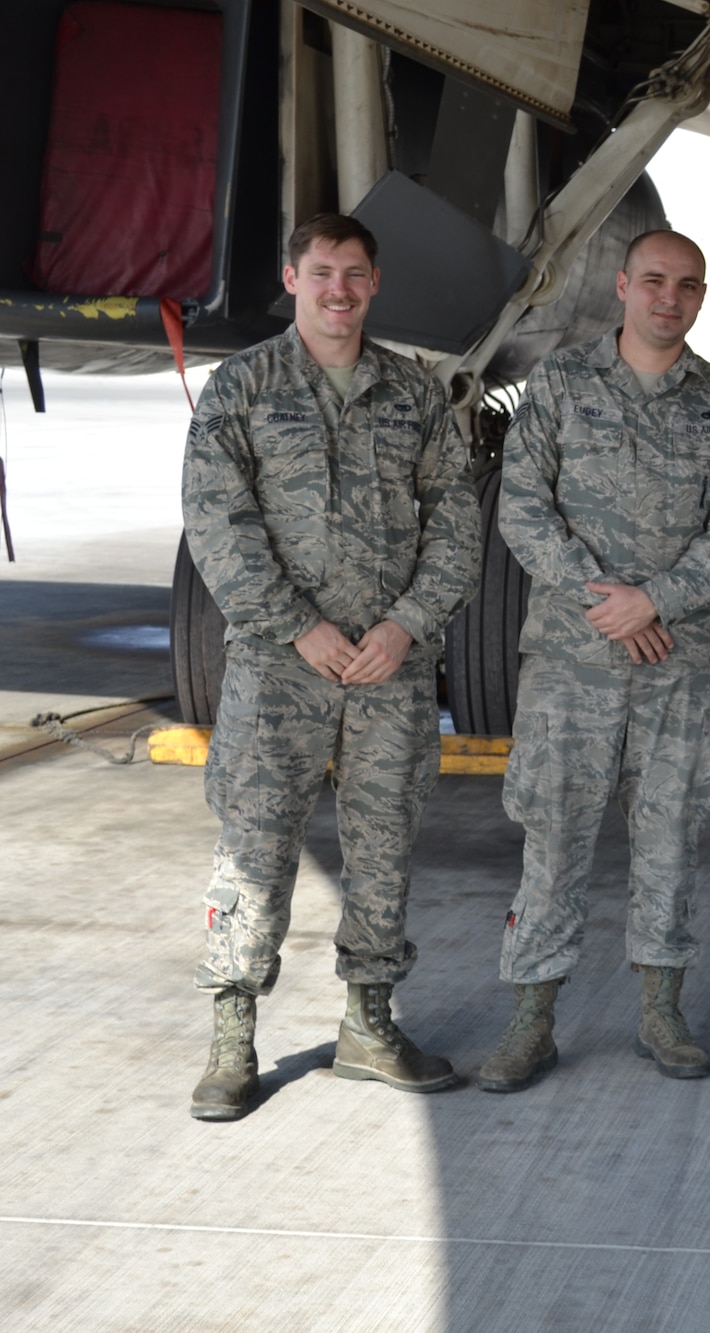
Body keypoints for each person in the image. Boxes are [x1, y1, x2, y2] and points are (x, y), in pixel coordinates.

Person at [182, 213, 479, 1121]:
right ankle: (233, 1036)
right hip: (280, 667)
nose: (338, 289)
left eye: (354, 273)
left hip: (389, 668)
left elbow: (456, 519)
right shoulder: (243, 387)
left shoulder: (414, 392)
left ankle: (369, 1024)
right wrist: (296, 625)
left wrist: (406, 625)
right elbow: (216, 520)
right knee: (256, 842)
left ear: (375, 282)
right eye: (321, 273)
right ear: (292, 279)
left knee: (384, 844)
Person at [476, 230, 710, 1092]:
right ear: (623, 284)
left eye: (688, 285)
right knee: (553, 835)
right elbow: (523, 508)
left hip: (675, 664)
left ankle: (662, 1012)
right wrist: (608, 601)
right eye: (654, 280)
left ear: (700, 296)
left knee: (671, 834)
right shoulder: (561, 382)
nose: (670, 297)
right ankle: (531, 1020)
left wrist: (657, 600)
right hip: (572, 663)